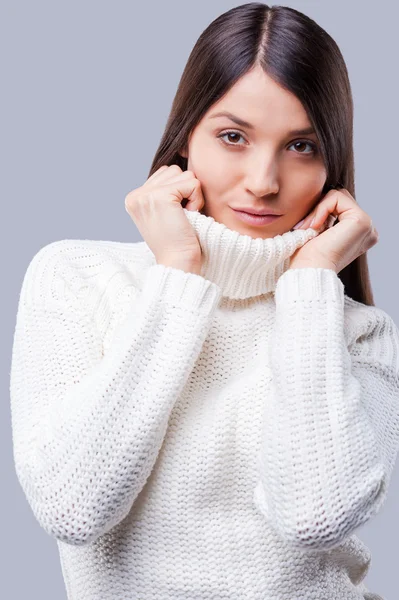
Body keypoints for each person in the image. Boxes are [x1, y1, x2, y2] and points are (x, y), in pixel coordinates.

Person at [9, 3, 396, 599]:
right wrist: (179, 278)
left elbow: (316, 515)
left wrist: (313, 284)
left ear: (332, 166)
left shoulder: (353, 331)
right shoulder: (77, 277)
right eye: (234, 136)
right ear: (186, 137)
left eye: (301, 146)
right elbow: (72, 508)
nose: (264, 180)